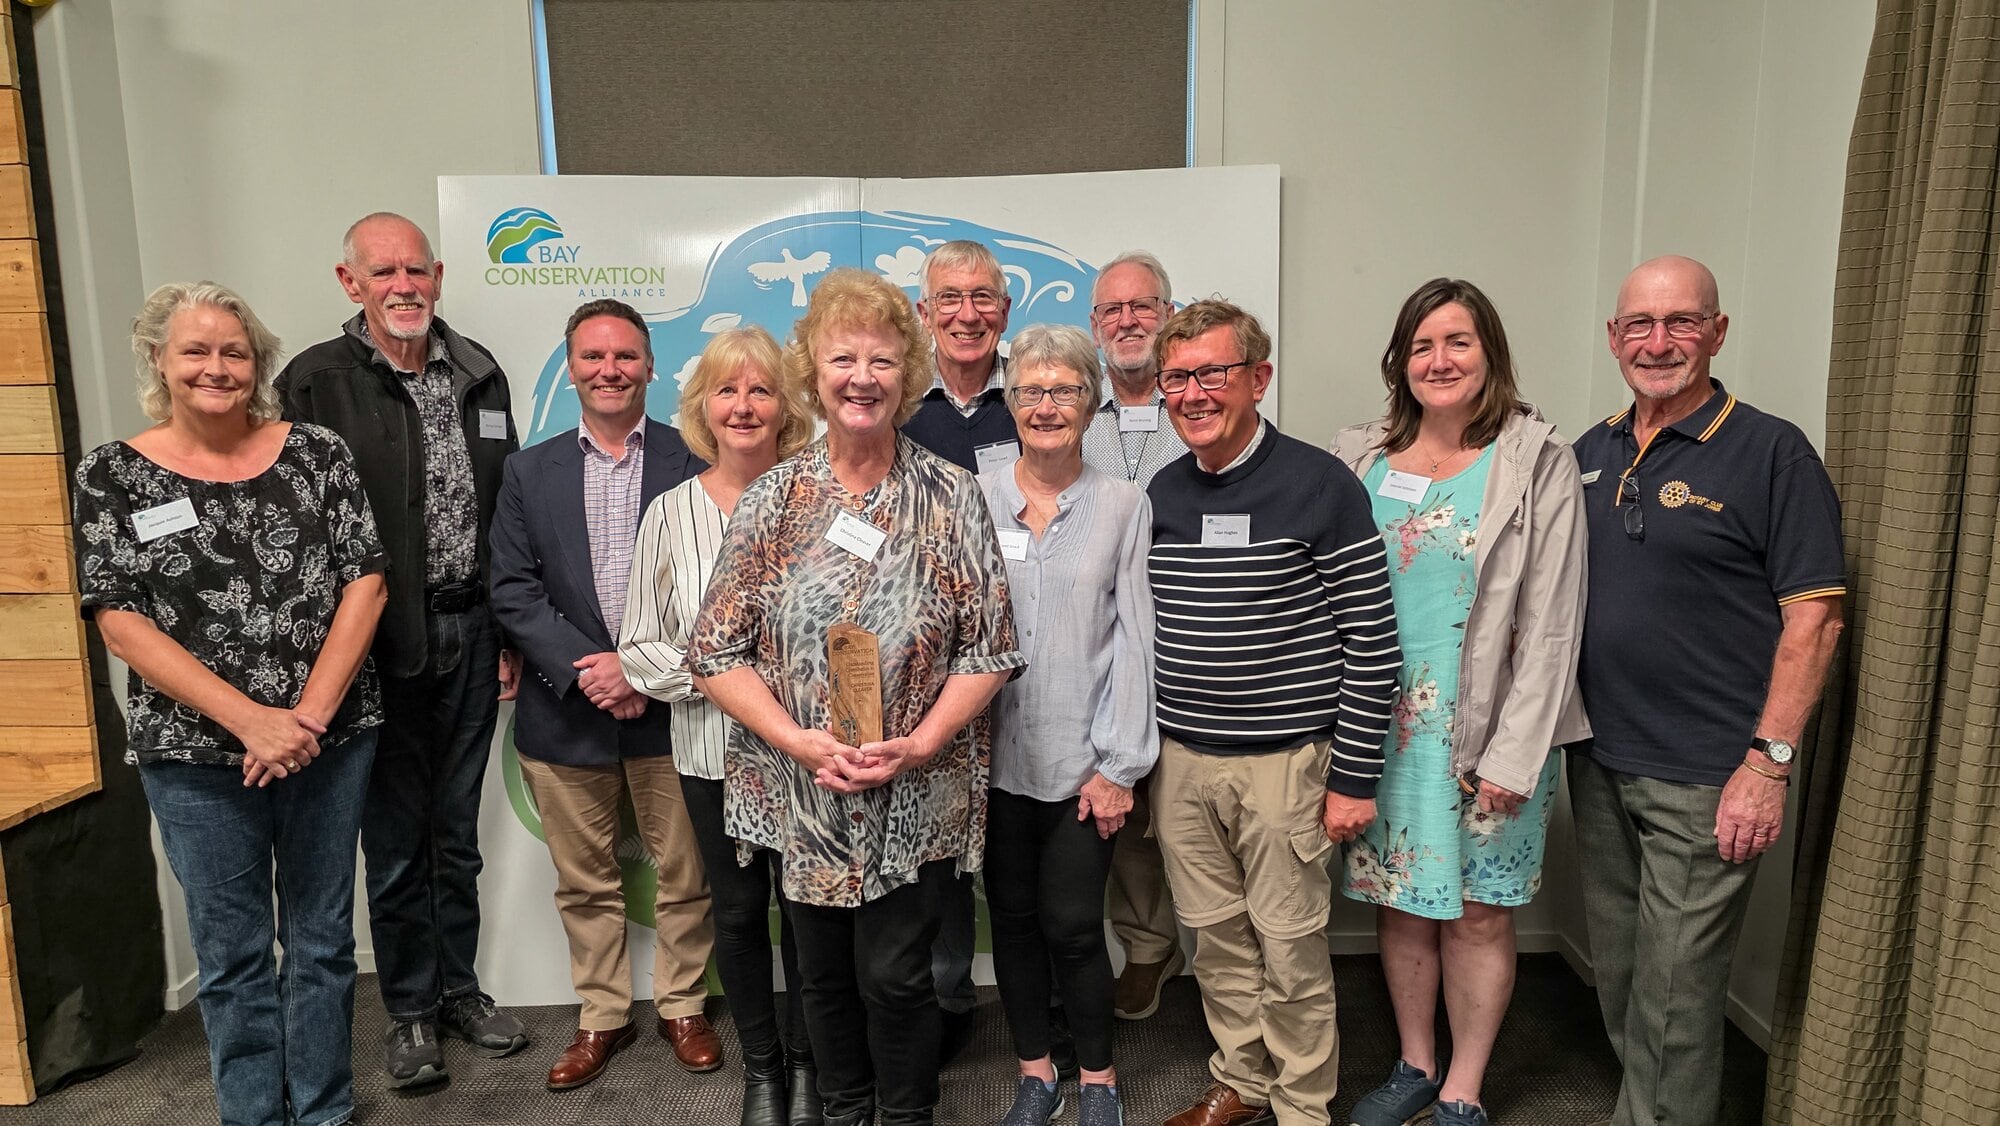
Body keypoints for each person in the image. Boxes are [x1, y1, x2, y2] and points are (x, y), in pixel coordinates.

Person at [689, 268, 1024, 1126]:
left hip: (912, 787)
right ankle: (843, 1113)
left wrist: (918, 743)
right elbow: (714, 652)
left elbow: (990, 651)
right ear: (816, 373)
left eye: (881, 359)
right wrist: (798, 741)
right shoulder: (773, 499)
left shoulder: (949, 497)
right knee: (823, 980)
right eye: (843, 358)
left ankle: (906, 1117)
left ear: (907, 373)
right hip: (803, 792)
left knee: (897, 979)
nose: (862, 377)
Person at [74, 282, 388, 1126]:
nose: (217, 367)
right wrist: (252, 722)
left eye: (235, 352)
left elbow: (365, 583)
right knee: (234, 953)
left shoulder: (317, 454)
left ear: (259, 364)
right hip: (194, 757)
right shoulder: (114, 474)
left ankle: (322, 1110)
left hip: (330, 739)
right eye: (196, 351)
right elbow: (120, 620)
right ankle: (253, 1116)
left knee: (322, 944)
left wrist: (305, 721)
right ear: (160, 361)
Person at [1569, 256, 1843, 1126]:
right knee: (1620, 975)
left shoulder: (1771, 451)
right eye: (1639, 326)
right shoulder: (1590, 450)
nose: (1660, 343)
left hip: (1706, 772)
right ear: (1614, 339)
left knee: (1677, 996)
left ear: (1718, 332)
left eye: (1682, 322)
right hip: (1598, 757)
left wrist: (1768, 764)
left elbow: (1818, 623)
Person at [1329, 278, 1591, 1126]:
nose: (1438, 361)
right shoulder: (1359, 454)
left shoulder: (1533, 457)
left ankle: (1463, 1089)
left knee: (1477, 914)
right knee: (1401, 901)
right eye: (1422, 346)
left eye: (1458, 343)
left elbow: (1554, 622)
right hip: (1383, 727)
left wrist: (1518, 754)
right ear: (1400, 361)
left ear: (1490, 355)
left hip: (1487, 731)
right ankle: (1413, 1062)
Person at [276, 211, 527, 1087]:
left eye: (415, 270)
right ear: (351, 283)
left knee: (454, 834)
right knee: (394, 839)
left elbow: (508, 511)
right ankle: (411, 1012)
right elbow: (296, 533)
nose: (402, 286)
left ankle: (460, 989)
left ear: (439, 275)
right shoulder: (312, 382)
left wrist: (506, 629)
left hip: (473, 630)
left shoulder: (480, 372)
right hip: (374, 644)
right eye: (382, 273)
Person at [1147, 300, 1402, 1126]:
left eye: (1213, 373)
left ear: (1258, 378)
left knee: (1290, 949)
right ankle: (1243, 1083)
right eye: (1177, 377)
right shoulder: (1163, 492)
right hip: (1182, 762)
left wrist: (1354, 777)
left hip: (1288, 764)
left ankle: (1301, 1108)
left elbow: (1373, 640)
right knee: (1215, 940)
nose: (1193, 393)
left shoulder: (1320, 485)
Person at [487, 299, 716, 1090]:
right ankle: (602, 1016)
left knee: (686, 871)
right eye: (592, 357)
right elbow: (511, 589)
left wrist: (641, 672)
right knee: (586, 882)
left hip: (674, 712)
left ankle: (684, 1004)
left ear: (652, 366)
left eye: (625, 356)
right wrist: (595, 669)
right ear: (572, 365)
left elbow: (722, 592)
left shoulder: (700, 460)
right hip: (565, 711)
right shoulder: (527, 470)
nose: (609, 370)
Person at [618, 325, 819, 1126]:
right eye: (727, 391)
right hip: (711, 754)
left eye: (761, 389)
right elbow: (639, 646)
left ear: (787, 405)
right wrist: (725, 683)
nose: (744, 406)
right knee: (735, 914)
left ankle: (808, 1069)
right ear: (703, 408)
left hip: (807, 757)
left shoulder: (819, 497)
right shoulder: (670, 514)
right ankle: (763, 1074)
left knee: (808, 917)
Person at [977, 324, 1157, 1126]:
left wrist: (1119, 766)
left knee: (1078, 927)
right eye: (1030, 390)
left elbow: (1136, 639)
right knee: (1012, 923)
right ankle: (1034, 1072)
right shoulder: (973, 493)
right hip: (988, 764)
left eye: (1065, 390)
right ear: (1009, 401)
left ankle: (1098, 1080)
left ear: (1093, 402)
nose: (1046, 406)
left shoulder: (1123, 503)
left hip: (1085, 761)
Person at [898, 237, 1016, 1060]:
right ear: (922, 312)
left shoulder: (1041, 395)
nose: (967, 313)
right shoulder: (897, 403)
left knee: (1017, 839)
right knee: (934, 845)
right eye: (951, 298)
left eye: (982, 298)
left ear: (1004, 310)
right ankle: (943, 997)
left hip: (1035, 655)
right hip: (927, 670)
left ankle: (1035, 1004)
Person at [1078, 251, 1190, 1023]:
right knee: (1118, 817)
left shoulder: (1201, 407)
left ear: (1168, 314)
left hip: (1189, 648)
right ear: (1094, 326)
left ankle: (1223, 972)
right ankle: (1148, 949)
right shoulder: (1068, 417)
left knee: (1184, 814)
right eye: (1112, 310)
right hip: (1100, 652)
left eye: (1143, 306)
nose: (1127, 320)